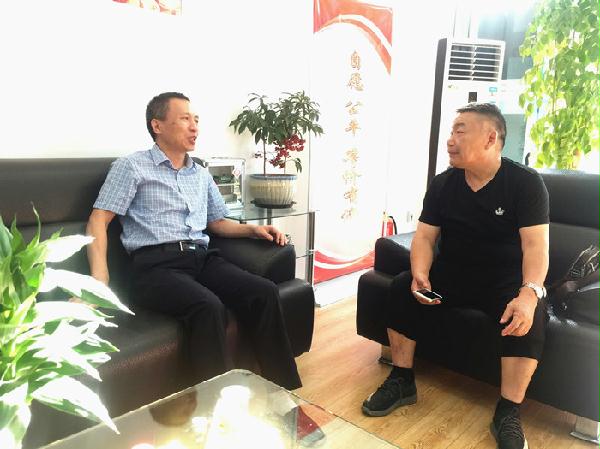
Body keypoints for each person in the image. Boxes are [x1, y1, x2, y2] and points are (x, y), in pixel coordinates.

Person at [362, 103, 549, 449]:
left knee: (530, 315)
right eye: (451, 131)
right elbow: (424, 237)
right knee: (401, 286)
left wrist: (529, 293)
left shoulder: (525, 184)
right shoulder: (444, 184)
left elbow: (536, 246)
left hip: (504, 281)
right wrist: (420, 273)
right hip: (453, 274)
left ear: (490, 138)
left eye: (460, 131)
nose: (450, 140)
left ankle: (508, 411)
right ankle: (402, 379)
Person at [86, 91, 301, 390]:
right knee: (208, 307)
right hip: (155, 267)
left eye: (196, 120)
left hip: (201, 258)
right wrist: (99, 279)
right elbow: (98, 219)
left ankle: (284, 393)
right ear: (157, 126)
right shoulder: (131, 166)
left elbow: (217, 223)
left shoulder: (200, 174)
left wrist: (254, 230)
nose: (194, 127)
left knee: (263, 291)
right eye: (185, 119)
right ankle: (215, 406)